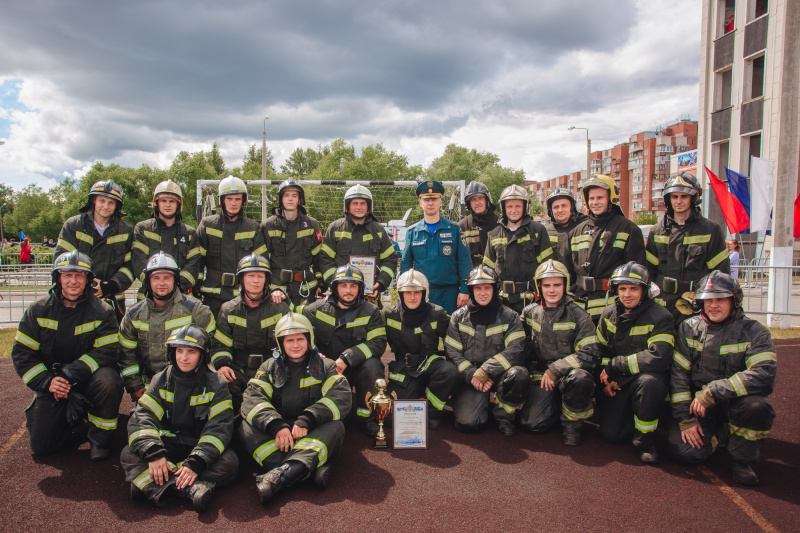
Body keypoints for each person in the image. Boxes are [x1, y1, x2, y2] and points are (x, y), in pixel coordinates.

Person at [11, 251, 123, 460]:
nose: (73, 281)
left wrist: (71, 373)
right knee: (41, 447)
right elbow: (22, 354)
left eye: (80, 275)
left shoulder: (103, 311)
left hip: (88, 379)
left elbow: (107, 351)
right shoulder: (38, 311)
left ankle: (100, 440)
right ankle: (75, 425)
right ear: (58, 278)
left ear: (89, 280)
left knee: (109, 380)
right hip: (53, 384)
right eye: (67, 275)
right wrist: (47, 382)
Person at [669, 271, 776, 486]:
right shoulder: (688, 328)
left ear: (734, 301)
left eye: (720, 299)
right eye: (708, 300)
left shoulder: (755, 332)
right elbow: (678, 376)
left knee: (757, 405)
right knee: (685, 454)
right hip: (700, 409)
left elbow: (764, 374)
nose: (713, 305)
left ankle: (740, 460)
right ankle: (724, 432)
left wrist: (713, 391)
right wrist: (685, 419)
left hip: (735, 403)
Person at [121, 325, 238, 513]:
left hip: (197, 446)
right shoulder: (160, 380)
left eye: (191, 352)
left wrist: (195, 462)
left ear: (202, 355)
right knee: (129, 453)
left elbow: (219, 428)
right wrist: (154, 453)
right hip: (167, 445)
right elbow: (143, 416)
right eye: (179, 351)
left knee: (230, 464)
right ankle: (190, 490)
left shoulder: (217, 384)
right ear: (172, 353)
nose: (184, 358)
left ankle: (150, 484)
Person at [239, 313, 352, 505]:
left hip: (310, 430)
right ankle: (304, 469)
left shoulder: (327, 366)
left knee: (336, 426)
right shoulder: (268, 367)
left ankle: (278, 476)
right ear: (280, 343)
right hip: (279, 433)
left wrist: (309, 418)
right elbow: (252, 398)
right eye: (289, 340)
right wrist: (275, 425)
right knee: (244, 427)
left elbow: (341, 396)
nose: (295, 345)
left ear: (310, 340)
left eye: (300, 339)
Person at [595, 262, 674, 464]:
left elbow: (659, 357)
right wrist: (606, 380)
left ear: (644, 291)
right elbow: (602, 352)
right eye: (622, 288)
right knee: (612, 436)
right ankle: (638, 416)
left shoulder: (661, 317)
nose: (627, 294)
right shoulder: (608, 314)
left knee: (650, 384)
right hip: (620, 382)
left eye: (633, 288)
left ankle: (645, 443)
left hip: (646, 379)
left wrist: (616, 365)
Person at [520, 260, 598, 445]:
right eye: (546, 285)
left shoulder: (580, 316)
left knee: (581, 378)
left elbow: (589, 353)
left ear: (565, 285)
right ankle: (555, 404)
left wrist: (556, 369)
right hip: (541, 377)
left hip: (568, 376)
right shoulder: (529, 313)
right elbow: (520, 348)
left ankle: (572, 425)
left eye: (557, 285)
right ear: (539, 287)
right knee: (532, 425)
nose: (552, 290)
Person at [302, 264, 386, 436]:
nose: (349, 290)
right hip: (328, 370)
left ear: (360, 288)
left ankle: (366, 417)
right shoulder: (316, 309)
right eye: (344, 286)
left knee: (373, 365)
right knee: (340, 421)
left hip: (357, 368)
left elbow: (378, 342)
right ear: (335, 288)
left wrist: (348, 358)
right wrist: (313, 352)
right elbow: (299, 332)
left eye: (353, 286)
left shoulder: (371, 312)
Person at [444, 265, 529, 436]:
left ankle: (504, 415)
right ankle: (472, 403)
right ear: (471, 290)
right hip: (472, 377)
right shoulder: (458, 317)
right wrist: (471, 373)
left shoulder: (510, 317)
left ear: (495, 289)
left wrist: (486, 370)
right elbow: (452, 352)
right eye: (478, 288)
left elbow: (516, 350)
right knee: (468, 424)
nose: (483, 293)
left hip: (500, 374)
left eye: (487, 288)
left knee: (519, 374)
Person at [118, 252, 215, 402]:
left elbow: (212, 349)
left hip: (189, 384)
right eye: (156, 278)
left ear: (175, 280)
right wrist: (135, 387)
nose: (161, 283)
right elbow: (126, 354)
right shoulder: (133, 314)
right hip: (148, 387)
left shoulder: (196, 310)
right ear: (148, 281)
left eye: (167, 277)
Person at [210, 254, 290, 413]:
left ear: (267, 280)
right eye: (251, 276)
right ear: (241, 279)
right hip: (238, 372)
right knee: (219, 384)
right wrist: (223, 364)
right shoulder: (228, 309)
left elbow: (292, 340)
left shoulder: (280, 308)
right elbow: (220, 345)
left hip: (271, 369)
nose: (255, 281)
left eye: (260, 276)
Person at [645, 172, 729, 323]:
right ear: (668, 199)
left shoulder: (710, 230)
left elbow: (720, 274)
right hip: (662, 305)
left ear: (694, 198)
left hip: (695, 304)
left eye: (684, 196)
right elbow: (649, 272)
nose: (679, 201)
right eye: (674, 197)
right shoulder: (657, 231)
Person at [382, 269, 459, 430]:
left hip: (430, 366)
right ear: (400, 293)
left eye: (417, 292)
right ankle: (416, 392)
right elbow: (375, 340)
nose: (412, 297)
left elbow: (453, 342)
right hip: (404, 369)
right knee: (390, 418)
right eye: (407, 292)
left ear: (425, 292)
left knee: (449, 371)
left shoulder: (437, 314)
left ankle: (431, 412)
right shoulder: (389, 314)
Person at [564, 174, 645, 322]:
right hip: (578, 308)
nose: (595, 202)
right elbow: (568, 272)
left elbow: (635, 274)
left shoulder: (628, 229)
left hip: (611, 307)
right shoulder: (576, 232)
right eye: (592, 198)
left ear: (611, 198)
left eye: (600, 198)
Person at [55, 180, 134, 323]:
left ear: (117, 206)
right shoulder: (74, 225)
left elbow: (130, 266)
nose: (106, 206)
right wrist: (85, 284)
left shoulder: (126, 230)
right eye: (102, 200)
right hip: (76, 298)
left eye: (111, 202)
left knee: (109, 342)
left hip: (112, 300)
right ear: (94, 200)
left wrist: (110, 286)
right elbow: (62, 261)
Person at [196, 176, 267, 317]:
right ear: (222, 200)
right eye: (229, 199)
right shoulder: (207, 225)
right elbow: (197, 260)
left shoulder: (253, 228)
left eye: (237, 199)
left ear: (243, 200)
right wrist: (196, 288)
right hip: (212, 295)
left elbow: (262, 263)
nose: (233, 203)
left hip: (242, 296)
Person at [400, 180, 472, 314]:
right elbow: (406, 266)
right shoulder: (412, 232)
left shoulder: (455, 229)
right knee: (425, 331)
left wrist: (464, 290)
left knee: (450, 330)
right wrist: (404, 292)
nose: (430, 203)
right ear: (421, 203)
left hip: (450, 293)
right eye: (426, 200)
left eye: (434, 199)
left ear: (440, 202)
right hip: (422, 293)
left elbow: (464, 262)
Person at [319, 184, 397, 306]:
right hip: (341, 296)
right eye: (355, 203)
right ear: (347, 206)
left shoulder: (378, 230)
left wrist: (381, 283)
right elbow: (325, 260)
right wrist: (335, 284)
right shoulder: (335, 228)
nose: (359, 207)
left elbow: (390, 259)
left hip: (370, 296)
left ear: (368, 206)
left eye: (362, 203)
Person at [483, 184, 553, 313]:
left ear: (525, 207)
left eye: (518, 206)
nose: (513, 210)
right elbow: (488, 271)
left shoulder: (538, 231)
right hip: (502, 301)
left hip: (532, 300)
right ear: (503, 208)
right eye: (509, 206)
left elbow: (547, 268)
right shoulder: (494, 234)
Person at [131, 180, 202, 300]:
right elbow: (138, 262)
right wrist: (156, 286)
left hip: (181, 297)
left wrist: (176, 286)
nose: (167, 205)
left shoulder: (189, 233)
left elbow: (194, 265)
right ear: (156, 203)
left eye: (171, 201)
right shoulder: (143, 229)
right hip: (149, 297)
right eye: (163, 201)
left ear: (178, 204)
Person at [262, 178, 324, 306]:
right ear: (281, 199)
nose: (290, 199)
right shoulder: (268, 225)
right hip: (277, 289)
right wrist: (266, 287)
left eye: (294, 195)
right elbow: (263, 261)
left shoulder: (311, 224)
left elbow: (319, 257)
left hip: (305, 288)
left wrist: (321, 283)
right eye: (286, 195)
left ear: (300, 199)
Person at [459, 181, 499, 267]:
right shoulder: (463, 226)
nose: (477, 203)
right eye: (473, 199)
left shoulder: (499, 223)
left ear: (487, 200)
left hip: (496, 277)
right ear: (469, 203)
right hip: (472, 277)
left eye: (480, 198)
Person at [542, 187, 587, 264]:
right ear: (551, 211)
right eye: (556, 207)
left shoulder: (585, 227)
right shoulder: (546, 232)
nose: (560, 210)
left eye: (564, 206)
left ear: (572, 207)